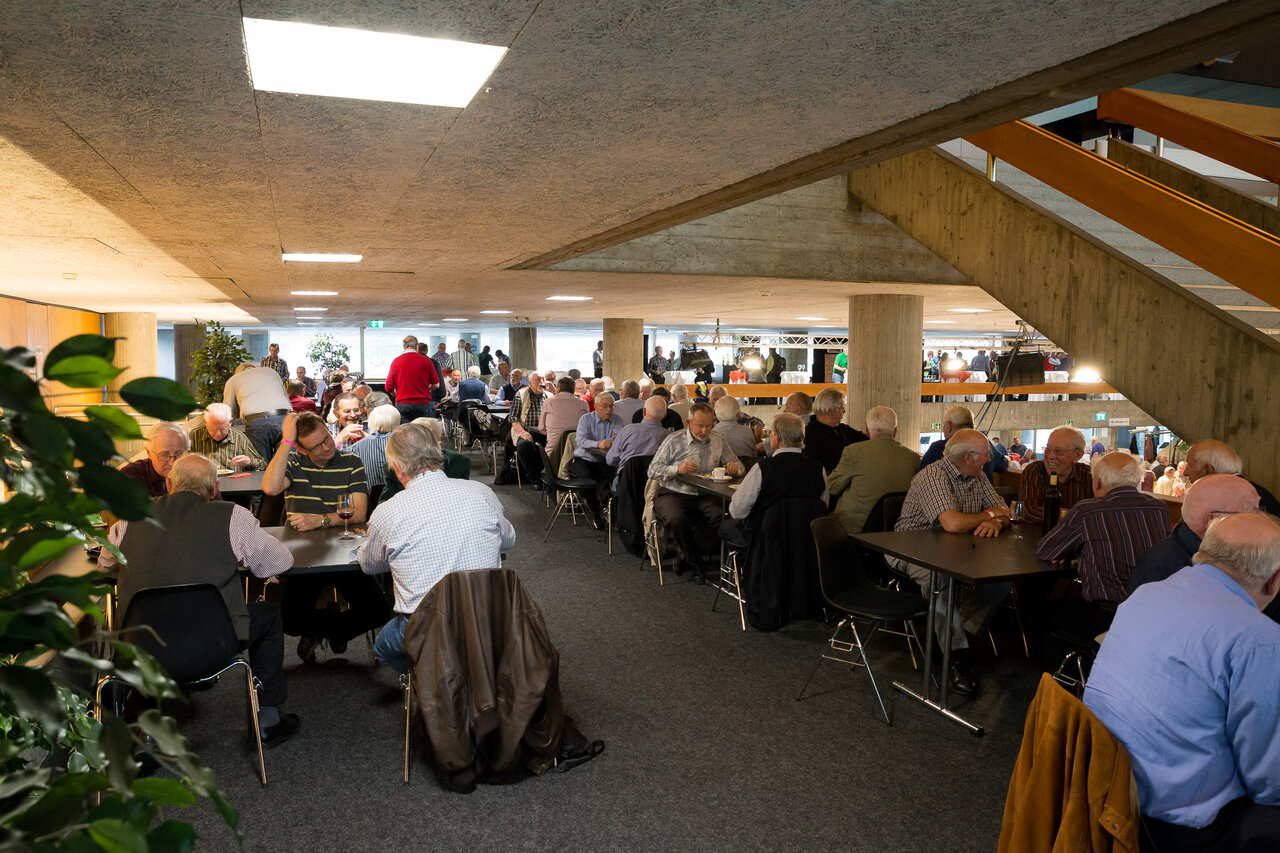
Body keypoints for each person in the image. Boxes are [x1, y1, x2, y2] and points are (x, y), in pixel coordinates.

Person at [1083, 513, 1280, 852]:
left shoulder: (1146, 594)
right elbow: (1269, 781)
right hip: (1176, 825)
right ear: (1274, 581)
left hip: (1107, 787)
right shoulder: (1258, 638)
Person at [100, 454, 299, 747]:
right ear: (214, 488)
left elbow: (106, 564)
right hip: (215, 645)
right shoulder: (233, 516)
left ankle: (143, 731)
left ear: (169, 484)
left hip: (142, 647)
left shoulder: (130, 517)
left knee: (151, 619)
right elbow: (279, 562)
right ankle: (268, 720)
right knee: (268, 615)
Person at [358, 423, 515, 674]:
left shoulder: (386, 512)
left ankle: (429, 679)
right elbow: (508, 541)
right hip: (489, 616)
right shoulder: (482, 492)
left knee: (383, 648)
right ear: (438, 452)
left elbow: (369, 566)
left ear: (397, 467)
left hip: (425, 624)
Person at [893, 429, 1014, 696]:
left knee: (1003, 573)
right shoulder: (933, 476)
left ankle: (956, 632)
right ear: (968, 457)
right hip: (910, 547)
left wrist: (996, 521)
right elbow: (952, 523)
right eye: (985, 454)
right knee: (940, 577)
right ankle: (957, 656)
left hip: (956, 548)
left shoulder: (977, 475)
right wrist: (990, 515)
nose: (989, 460)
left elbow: (1004, 512)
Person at [262, 412, 388, 662]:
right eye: (317, 446)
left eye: (327, 438)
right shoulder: (293, 463)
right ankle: (332, 627)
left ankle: (330, 631)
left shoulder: (351, 461)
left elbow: (359, 512)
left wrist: (319, 520)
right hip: (304, 557)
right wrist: (286, 441)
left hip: (345, 552)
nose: (328, 447)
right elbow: (270, 487)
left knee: (379, 611)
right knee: (288, 620)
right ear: (300, 448)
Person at [1036, 452, 1171, 633]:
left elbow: (1046, 550)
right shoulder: (1160, 509)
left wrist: (1079, 553)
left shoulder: (1087, 510)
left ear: (1097, 481)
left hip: (1107, 616)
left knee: (1045, 616)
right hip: (1155, 614)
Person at [1128, 474, 1269, 603]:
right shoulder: (1163, 571)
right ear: (1212, 521)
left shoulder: (1232, 552)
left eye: (1259, 509)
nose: (1262, 519)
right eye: (1250, 512)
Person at [648, 403, 744, 582]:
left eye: (709, 425)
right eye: (700, 426)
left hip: (706, 494)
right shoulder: (674, 440)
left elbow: (739, 465)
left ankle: (686, 554)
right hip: (673, 491)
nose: (705, 430)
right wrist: (677, 469)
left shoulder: (718, 439)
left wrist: (734, 467)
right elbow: (652, 470)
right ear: (688, 423)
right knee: (678, 519)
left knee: (724, 518)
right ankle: (696, 564)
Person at [828, 406, 921, 535]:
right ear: (895, 431)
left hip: (856, 531)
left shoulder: (853, 452)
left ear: (867, 431)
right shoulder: (913, 458)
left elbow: (832, 487)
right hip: (897, 531)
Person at [1017, 425, 1092, 523]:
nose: (1050, 456)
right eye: (1047, 449)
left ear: (1077, 455)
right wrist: (1069, 515)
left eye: (1058, 451)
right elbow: (1028, 510)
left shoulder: (1089, 475)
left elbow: (1099, 512)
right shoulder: (1035, 471)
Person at [1183, 439, 1280, 514]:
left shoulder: (1221, 500)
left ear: (1207, 469)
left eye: (1189, 464)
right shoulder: (1258, 492)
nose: (1184, 473)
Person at [570, 393, 622, 527]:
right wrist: (598, 444)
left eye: (611, 406)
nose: (609, 409)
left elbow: (620, 439)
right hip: (584, 459)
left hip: (605, 461)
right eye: (605, 406)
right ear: (596, 406)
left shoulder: (617, 420)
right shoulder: (586, 419)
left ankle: (613, 513)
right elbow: (581, 440)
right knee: (588, 481)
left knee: (619, 477)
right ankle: (594, 512)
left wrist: (605, 444)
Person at [223, 361, 292, 460]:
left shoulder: (233, 379)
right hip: (284, 418)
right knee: (285, 461)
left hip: (257, 422)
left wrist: (229, 432)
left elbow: (227, 411)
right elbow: (285, 397)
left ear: (238, 372)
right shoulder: (271, 371)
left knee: (260, 462)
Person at [918, 405, 1007, 482]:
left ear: (949, 427)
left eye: (944, 425)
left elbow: (921, 477)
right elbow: (1003, 464)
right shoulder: (986, 444)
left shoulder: (937, 448)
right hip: (984, 496)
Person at [803, 388, 867, 475]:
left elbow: (867, 442)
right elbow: (812, 468)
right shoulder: (809, 434)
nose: (844, 411)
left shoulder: (844, 429)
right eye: (842, 408)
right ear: (829, 410)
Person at [187, 403, 265, 471]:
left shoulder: (239, 438)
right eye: (213, 429)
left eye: (223, 429)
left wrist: (249, 462)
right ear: (205, 422)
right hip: (204, 482)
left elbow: (262, 465)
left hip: (233, 482)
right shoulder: (195, 435)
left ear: (230, 422)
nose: (218, 434)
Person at [120, 421, 190, 497]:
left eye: (179, 454)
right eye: (164, 455)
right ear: (149, 453)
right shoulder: (130, 476)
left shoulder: (194, 473)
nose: (172, 463)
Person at [385, 334, 440, 422]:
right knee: (422, 429)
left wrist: (396, 394)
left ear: (404, 347)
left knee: (404, 429)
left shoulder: (396, 362)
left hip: (403, 404)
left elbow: (388, 387)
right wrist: (428, 389)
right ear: (416, 346)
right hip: (422, 404)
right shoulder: (426, 361)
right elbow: (436, 384)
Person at [608, 396, 674, 469]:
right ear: (664, 415)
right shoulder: (670, 438)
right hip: (656, 476)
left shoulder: (627, 430)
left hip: (627, 475)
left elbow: (610, 460)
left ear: (644, 411)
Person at [509, 372, 549, 482]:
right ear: (530, 383)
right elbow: (513, 419)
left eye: (543, 379)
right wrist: (522, 433)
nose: (541, 382)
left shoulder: (550, 396)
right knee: (524, 446)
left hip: (545, 432)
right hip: (526, 431)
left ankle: (550, 476)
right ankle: (534, 478)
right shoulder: (521, 394)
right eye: (538, 380)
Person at [352, 404, 400, 489]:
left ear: (371, 422)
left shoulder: (355, 448)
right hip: (399, 494)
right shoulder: (405, 443)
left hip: (367, 495)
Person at [539, 376, 589, 454]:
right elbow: (588, 428)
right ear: (573, 389)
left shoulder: (549, 402)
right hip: (577, 453)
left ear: (558, 388)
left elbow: (541, 428)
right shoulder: (584, 403)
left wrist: (553, 433)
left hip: (553, 454)